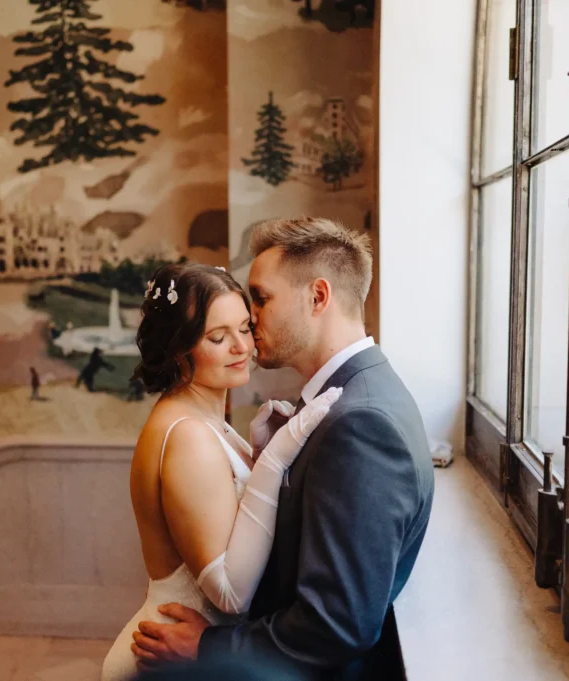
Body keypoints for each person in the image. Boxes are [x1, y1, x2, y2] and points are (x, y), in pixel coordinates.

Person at [131, 217, 435, 680]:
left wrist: (211, 646)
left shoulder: (360, 422)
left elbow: (336, 622)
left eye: (261, 298)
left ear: (318, 297)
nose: (251, 319)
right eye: (219, 334)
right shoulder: (353, 398)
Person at [101, 262, 342, 681]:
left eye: (245, 328)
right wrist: (274, 459)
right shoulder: (188, 434)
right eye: (218, 337)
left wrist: (259, 451)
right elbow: (231, 593)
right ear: (179, 350)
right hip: (167, 661)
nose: (242, 346)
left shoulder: (203, 419)